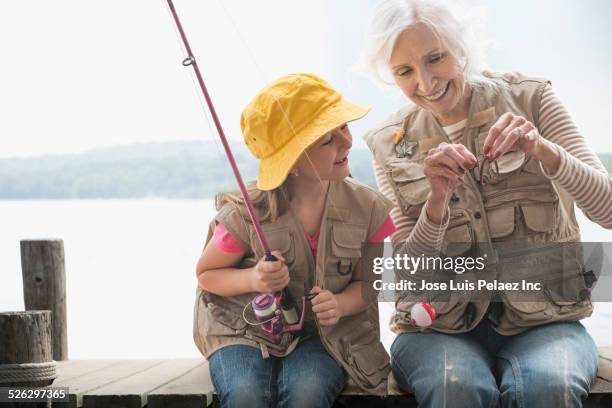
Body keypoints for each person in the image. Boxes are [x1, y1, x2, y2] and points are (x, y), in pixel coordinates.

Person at [361, 0, 612, 407]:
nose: (425, 82)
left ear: (463, 46)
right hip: (438, 330)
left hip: (546, 322)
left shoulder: (533, 99)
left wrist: (546, 153)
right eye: (405, 71)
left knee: (550, 384)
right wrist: (436, 203)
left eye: (436, 58)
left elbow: (608, 211)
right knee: (455, 385)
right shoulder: (388, 143)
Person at [193, 73, 395, 408]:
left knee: (307, 393)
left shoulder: (370, 209)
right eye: (327, 140)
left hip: (324, 337)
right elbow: (207, 275)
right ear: (292, 161)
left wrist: (341, 304)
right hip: (241, 332)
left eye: (344, 128)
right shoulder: (246, 212)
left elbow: (373, 283)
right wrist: (253, 278)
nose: (346, 142)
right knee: (245, 396)